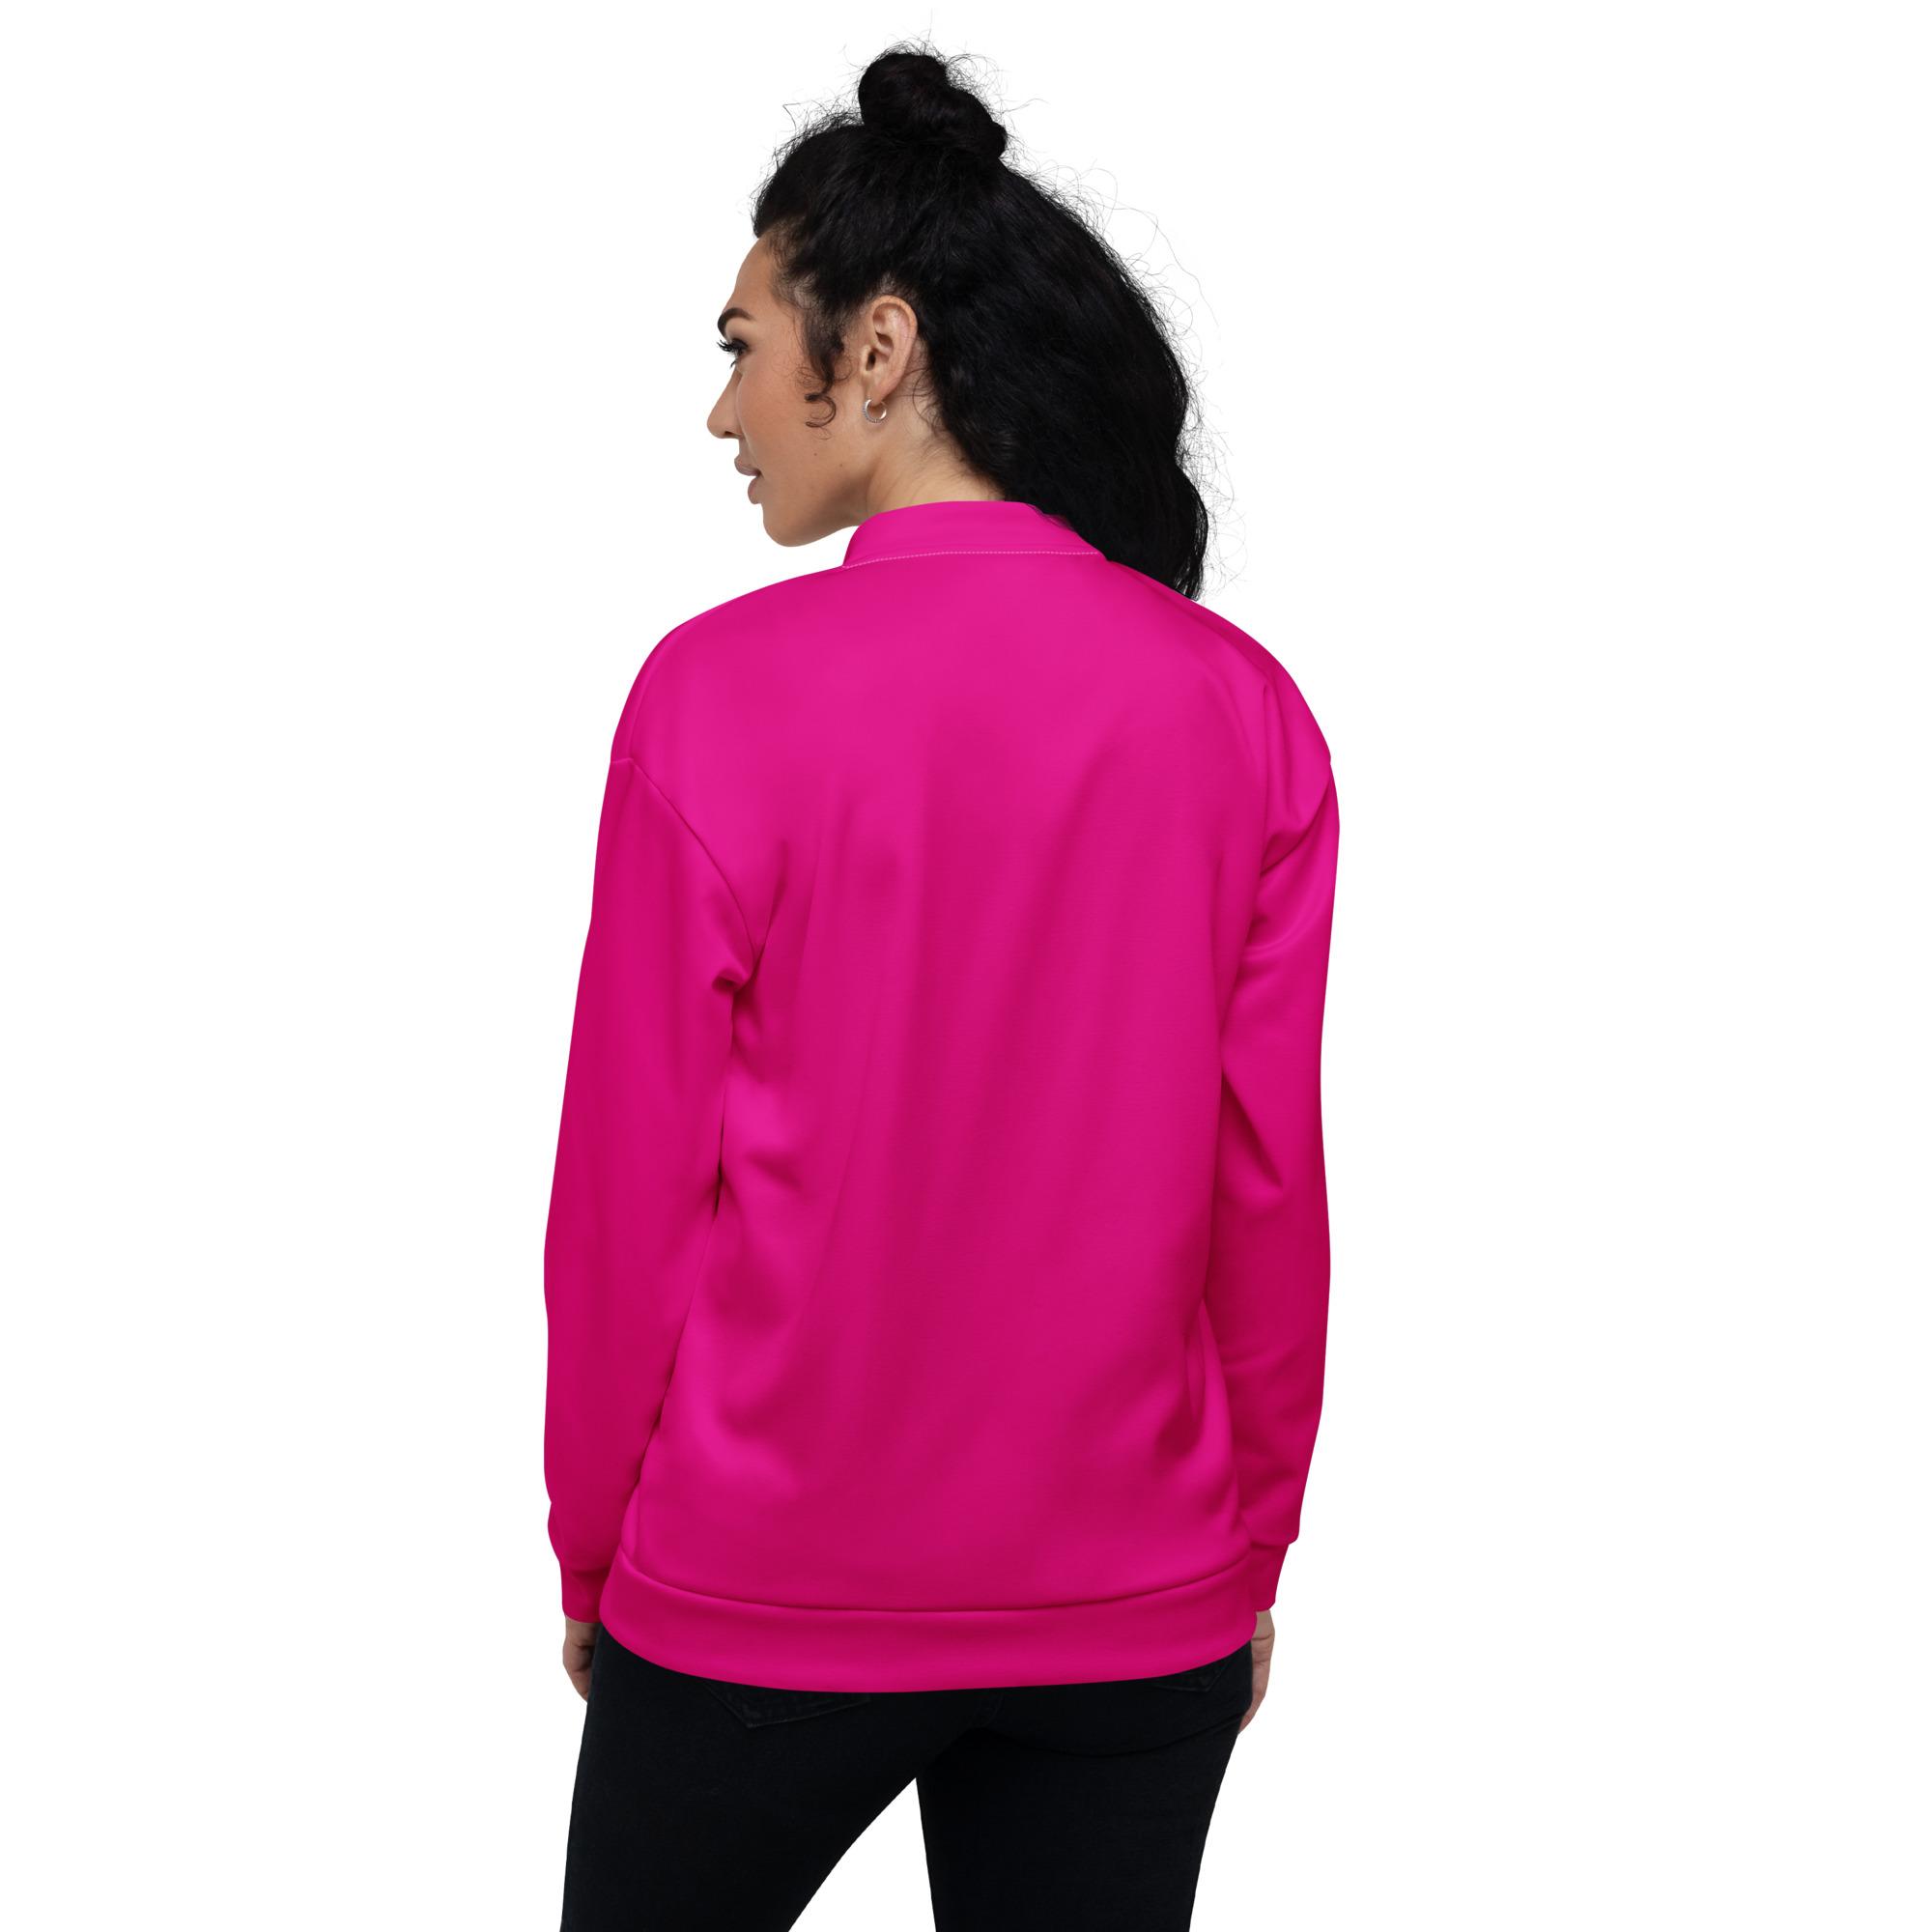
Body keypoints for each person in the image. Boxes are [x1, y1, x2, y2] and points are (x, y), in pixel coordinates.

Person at [544, 43, 1340, 1932]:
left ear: (878, 347)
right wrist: (1242, 1552)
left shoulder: (713, 697)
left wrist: (593, 1546)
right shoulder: (1242, 714)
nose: (725, 409)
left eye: (745, 346)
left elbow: (629, 1191)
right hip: (1131, 1612)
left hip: (756, 1595)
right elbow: (1267, 1194)